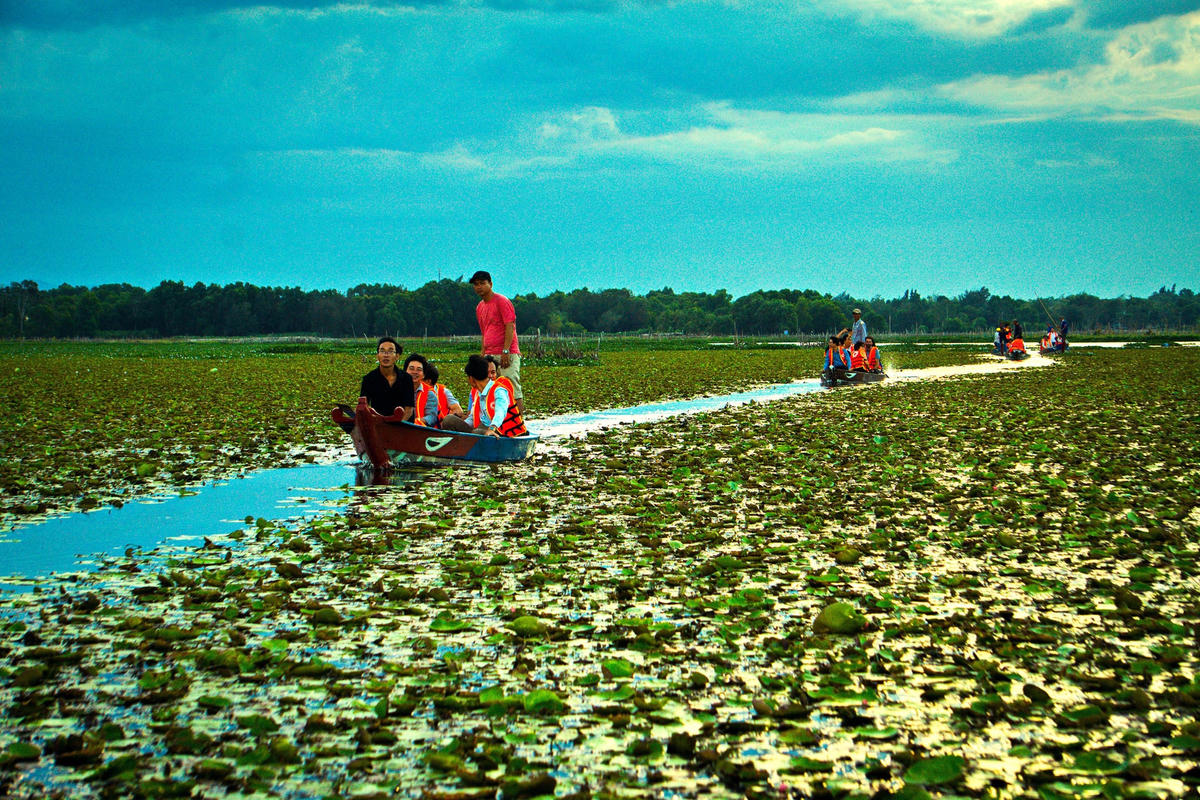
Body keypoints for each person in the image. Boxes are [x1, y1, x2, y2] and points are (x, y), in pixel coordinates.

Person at [470, 270, 524, 416]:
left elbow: (509, 326)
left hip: (507, 352)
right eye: (476, 284)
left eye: (482, 283)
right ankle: (494, 422)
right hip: (489, 354)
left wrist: (505, 351)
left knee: (511, 387)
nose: (479, 287)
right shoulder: (479, 307)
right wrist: (482, 356)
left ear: (490, 284)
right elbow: (485, 332)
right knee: (488, 388)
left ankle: (519, 424)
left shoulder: (502, 301)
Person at [441, 354, 527, 436]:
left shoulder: (499, 390)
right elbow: (472, 418)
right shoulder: (478, 393)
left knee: (477, 433)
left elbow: (501, 412)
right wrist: (461, 428)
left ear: (471, 378)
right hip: (482, 429)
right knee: (449, 420)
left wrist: (492, 428)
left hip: (501, 431)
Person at [359, 337, 413, 420]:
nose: (386, 355)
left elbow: (409, 410)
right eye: (382, 351)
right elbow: (364, 407)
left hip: (403, 427)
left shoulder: (407, 379)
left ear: (397, 356)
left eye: (390, 351)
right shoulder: (369, 379)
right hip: (379, 425)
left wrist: (396, 427)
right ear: (378, 355)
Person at [418, 363, 464, 428]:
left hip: (440, 431)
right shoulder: (416, 391)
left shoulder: (444, 391)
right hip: (419, 426)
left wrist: (445, 422)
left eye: (420, 379)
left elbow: (459, 411)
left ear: (428, 381)